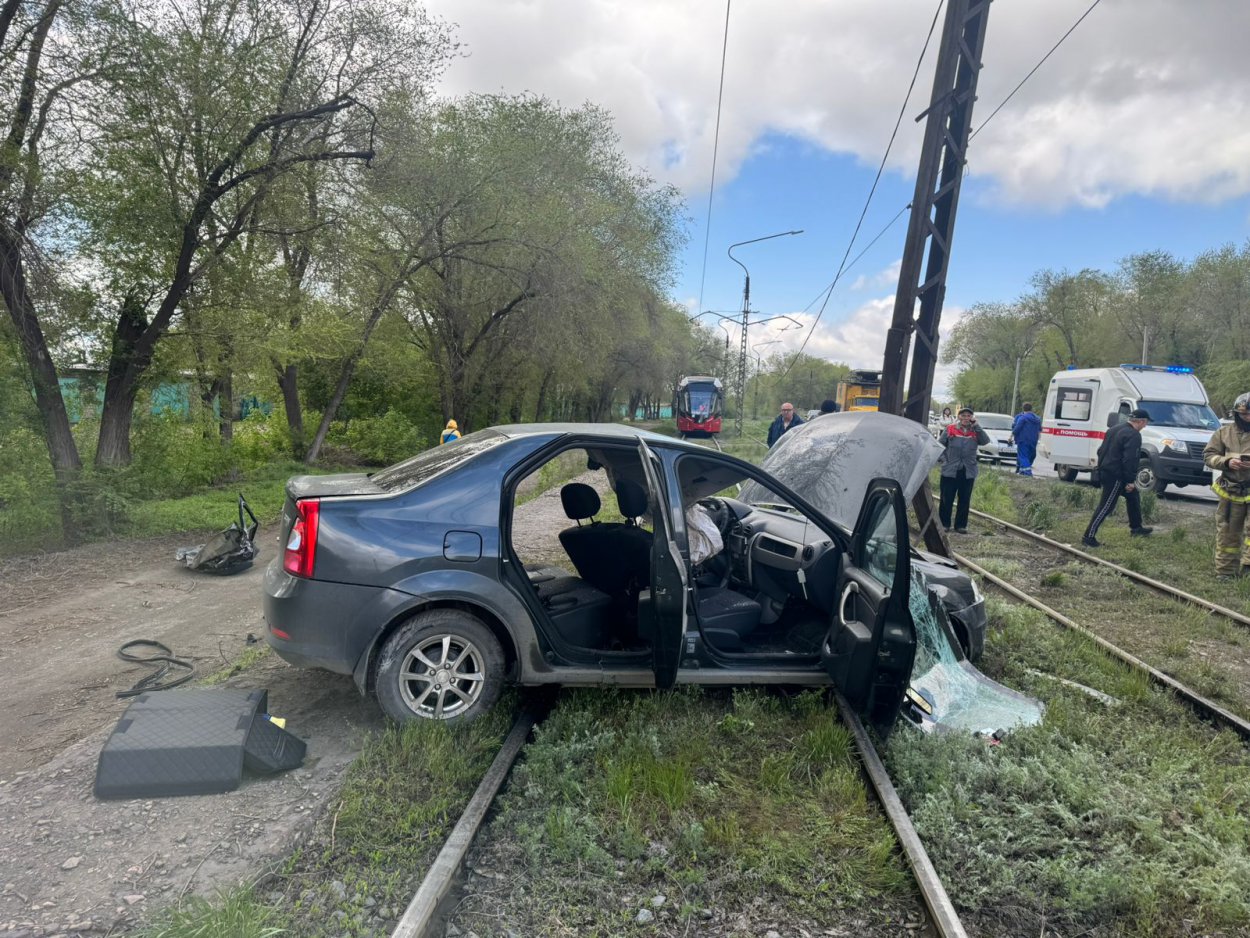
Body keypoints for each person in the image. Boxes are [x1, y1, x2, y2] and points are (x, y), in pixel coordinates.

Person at [1082, 408, 1153, 548]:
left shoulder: (1114, 429)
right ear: (1140, 421)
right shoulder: (1134, 435)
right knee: (1106, 506)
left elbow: (1100, 450)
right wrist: (1129, 480)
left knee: (1133, 496)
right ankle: (1088, 537)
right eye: (1145, 423)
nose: (1145, 426)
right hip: (1115, 476)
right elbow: (1130, 459)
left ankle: (1136, 528)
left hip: (1105, 470)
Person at [1203, 392, 1250, 578]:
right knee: (1227, 531)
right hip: (1231, 489)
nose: (1248, 418)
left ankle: (1248, 570)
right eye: (1244, 414)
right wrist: (1226, 462)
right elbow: (1208, 456)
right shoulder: (1224, 433)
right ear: (1236, 414)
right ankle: (1225, 572)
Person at [937, 407, 990, 532]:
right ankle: (944, 524)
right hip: (950, 469)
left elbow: (985, 441)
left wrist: (977, 426)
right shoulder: (950, 429)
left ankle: (960, 525)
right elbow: (939, 445)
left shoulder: (976, 431)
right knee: (946, 498)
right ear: (958, 417)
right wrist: (944, 460)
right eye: (963, 415)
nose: (966, 418)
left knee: (965, 499)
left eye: (968, 416)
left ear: (972, 418)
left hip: (968, 470)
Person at [1010, 402, 1042, 476]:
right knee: (1030, 455)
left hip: (1023, 439)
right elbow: (1039, 430)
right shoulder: (1037, 419)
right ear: (1031, 408)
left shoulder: (1022, 418)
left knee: (1023, 456)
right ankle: (1022, 471)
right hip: (1034, 440)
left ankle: (1027, 473)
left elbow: (1017, 428)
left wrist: (1011, 436)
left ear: (1023, 408)